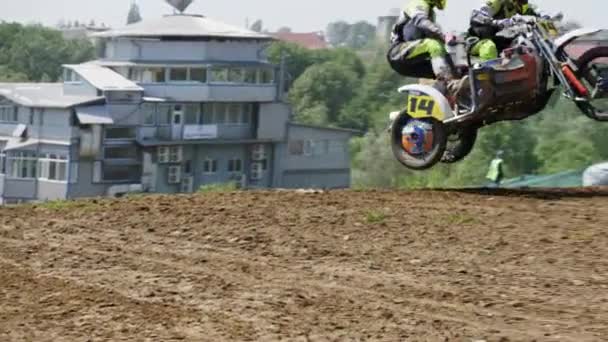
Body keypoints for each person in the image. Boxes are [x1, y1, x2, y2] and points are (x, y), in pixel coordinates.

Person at [387, 0, 459, 90]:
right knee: (433, 45)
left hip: (412, 61)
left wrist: (454, 69)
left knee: (452, 68)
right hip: (398, 52)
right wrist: (443, 36)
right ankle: (449, 82)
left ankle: (453, 94)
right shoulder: (417, 3)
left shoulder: (430, 12)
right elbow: (421, 22)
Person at [469, 0, 543, 61]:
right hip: (479, 41)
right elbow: (476, 14)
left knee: (523, 45)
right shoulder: (497, 2)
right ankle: (486, 74)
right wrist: (495, 22)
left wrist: (545, 18)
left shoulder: (521, 7)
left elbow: (538, 15)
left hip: (500, 41)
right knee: (489, 47)